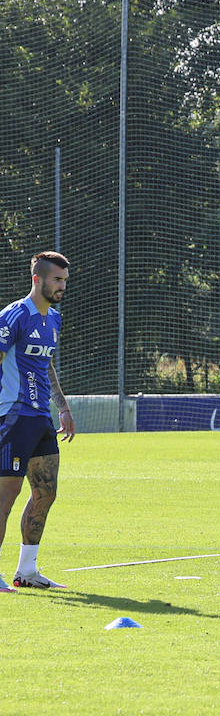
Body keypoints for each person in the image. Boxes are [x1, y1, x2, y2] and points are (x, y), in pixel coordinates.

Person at [0, 251, 77, 592]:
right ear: (38, 279)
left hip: (40, 418)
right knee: (6, 495)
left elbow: (45, 364)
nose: (62, 286)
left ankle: (26, 572)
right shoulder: (14, 316)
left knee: (46, 492)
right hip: (12, 416)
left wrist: (62, 406)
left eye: (64, 280)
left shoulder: (54, 320)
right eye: (57, 280)